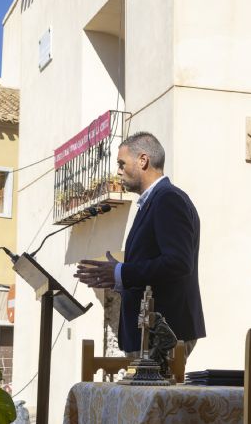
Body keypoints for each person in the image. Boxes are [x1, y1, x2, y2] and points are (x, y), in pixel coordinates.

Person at [75, 132, 206, 358]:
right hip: (148, 333)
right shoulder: (151, 202)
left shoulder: (168, 199)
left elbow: (177, 262)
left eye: (122, 163)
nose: (118, 171)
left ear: (143, 160)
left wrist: (122, 272)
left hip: (164, 334)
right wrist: (120, 277)